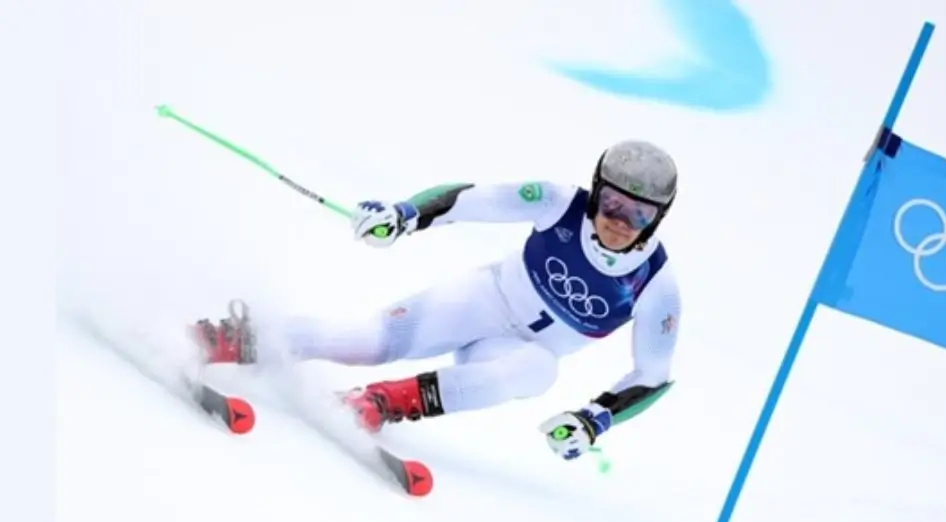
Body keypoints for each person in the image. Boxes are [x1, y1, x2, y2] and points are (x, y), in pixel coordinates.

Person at [191, 140, 682, 461]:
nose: (619, 220)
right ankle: (232, 339)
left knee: (539, 370)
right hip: (482, 301)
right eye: (612, 203)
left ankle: (378, 402)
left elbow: (652, 376)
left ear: (658, 218)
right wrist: (406, 215)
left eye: (639, 214)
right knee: (366, 341)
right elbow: (470, 198)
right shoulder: (558, 203)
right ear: (596, 192)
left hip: (508, 354)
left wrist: (594, 419)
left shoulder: (655, 285)